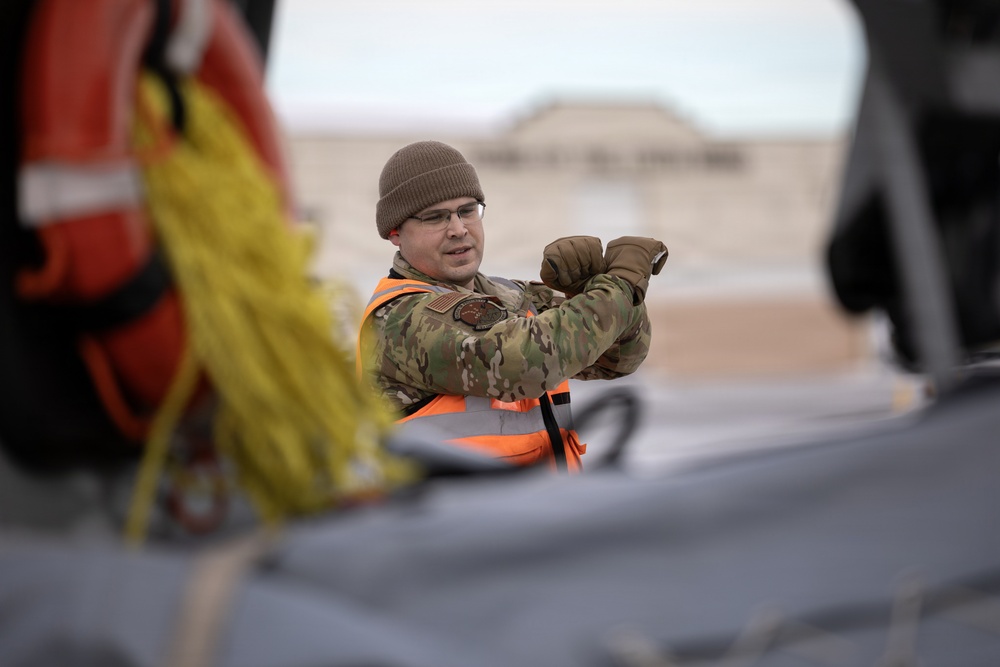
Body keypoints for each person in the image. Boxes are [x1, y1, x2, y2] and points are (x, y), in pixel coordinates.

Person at [357, 140, 667, 472]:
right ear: (395, 232)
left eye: (468, 210)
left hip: (544, 509)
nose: (459, 229)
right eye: (436, 218)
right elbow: (529, 361)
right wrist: (618, 284)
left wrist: (589, 289)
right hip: (463, 518)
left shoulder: (509, 296)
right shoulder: (400, 317)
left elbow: (619, 357)